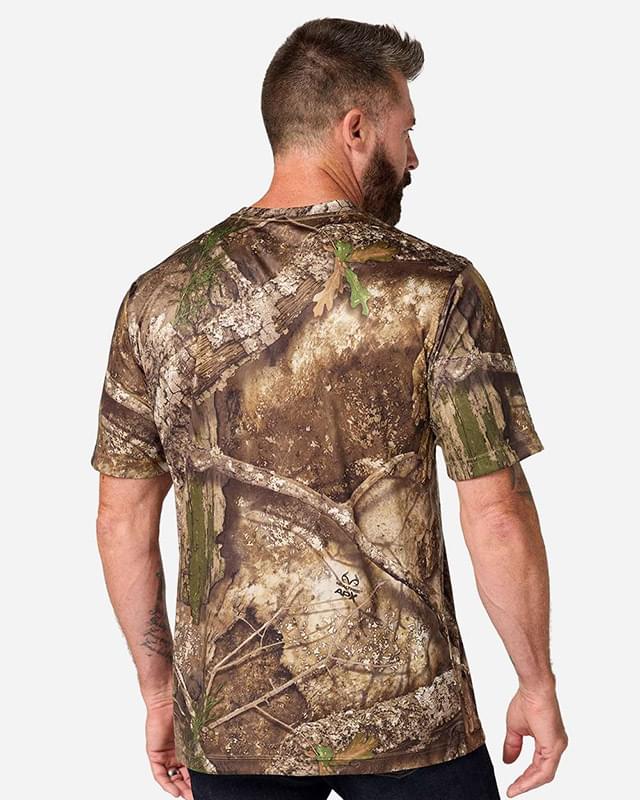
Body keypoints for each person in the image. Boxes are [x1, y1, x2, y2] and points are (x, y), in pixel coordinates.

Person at [90, 16, 568, 800]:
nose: (413, 157)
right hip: (413, 721)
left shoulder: (158, 299)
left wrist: (159, 692)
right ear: (355, 129)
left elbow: (122, 521)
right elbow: (498, 514)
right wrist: (536, 682)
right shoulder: (435, 287)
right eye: (406, 131)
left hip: (235, 727)